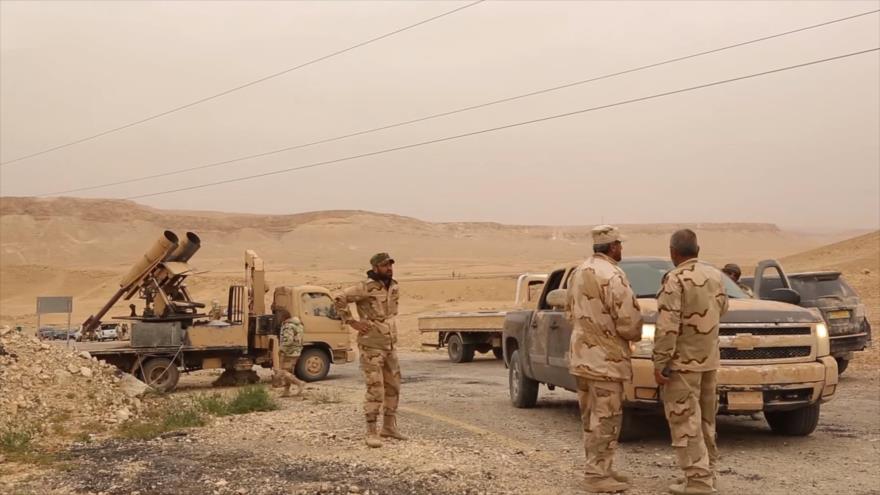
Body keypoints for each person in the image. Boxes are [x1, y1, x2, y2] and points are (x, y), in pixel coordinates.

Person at [566, 225, 643, 493]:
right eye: (619, 244)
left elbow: (570, 311)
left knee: (591, 418)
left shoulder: (579, 272)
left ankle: (601, 468)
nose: (621, 248)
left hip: (582, 357)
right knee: (607, 417)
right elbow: (629, 323)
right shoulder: (612, 275)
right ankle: (597, 476)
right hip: (605, 361)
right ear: (612, 247)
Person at [654, 229, 729, 495]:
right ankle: (707, 475)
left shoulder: (675, 279)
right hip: (709, 360)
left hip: (683, 364)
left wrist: (661, 362)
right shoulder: (714, 275)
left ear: (673, 252)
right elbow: (723, 309)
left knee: (685, 420)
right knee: (707, 420)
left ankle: (698, 481)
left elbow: (667, 326)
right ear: (698, 249)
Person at [333, 252, 404, 448]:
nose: (389, 268)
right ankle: (371, 431)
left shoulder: (394, 285)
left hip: (389, 345)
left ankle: (389, 427)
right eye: (384, 266)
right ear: (375, 268)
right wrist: (352, 322)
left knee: (394, 386)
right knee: (375, 388)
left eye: (390, 264)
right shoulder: (365, 287)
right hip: (371, 346)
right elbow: (339, 298)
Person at [271, 311, 305, 397]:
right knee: (288, 372)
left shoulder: (288, 326)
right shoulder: (298, 324)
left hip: (289, 352)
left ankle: (300, 383)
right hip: (296, 350)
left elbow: (288, 341)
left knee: (283, 372)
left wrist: (281, 350)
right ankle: (286, 391)